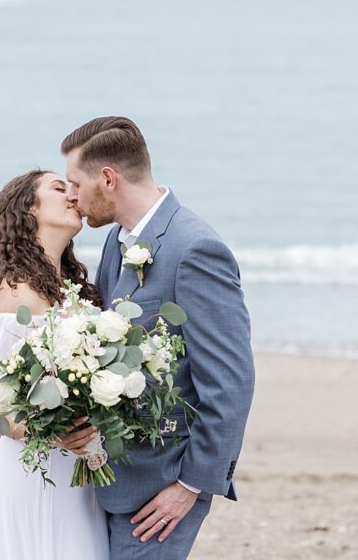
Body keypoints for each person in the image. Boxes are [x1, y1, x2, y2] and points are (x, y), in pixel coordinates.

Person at [61, 116, 255, 560]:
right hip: (111, 478)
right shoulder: (117, 241)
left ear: (107, 179)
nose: (70, 196)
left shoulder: (195, 249)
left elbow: (231, 381)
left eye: (74, 183)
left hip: (161, 491)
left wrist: (192, 486)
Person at [0, 169, 109, 560]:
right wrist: (59, 432)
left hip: (76, 472)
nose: (73, 195)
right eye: (59, 188)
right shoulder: (19, 294)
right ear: (30, 209)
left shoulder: (74, 289)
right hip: (34, 472)